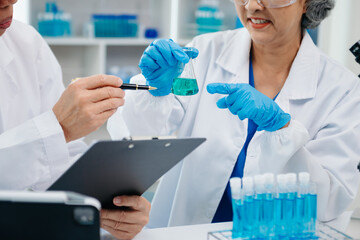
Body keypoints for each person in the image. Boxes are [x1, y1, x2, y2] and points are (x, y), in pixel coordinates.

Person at [108, 0, 360, 228]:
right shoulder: (204, 52)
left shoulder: (341, 88)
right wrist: (155, 91)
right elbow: (141, 133)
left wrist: (283, 129)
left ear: (307, 3)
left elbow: (331, 199)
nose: (252, 6)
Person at [0, 0, 150, 239]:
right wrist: (57, 127)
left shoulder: (27, 43)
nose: (10, 2)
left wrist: (108, 204)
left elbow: (59, 161)